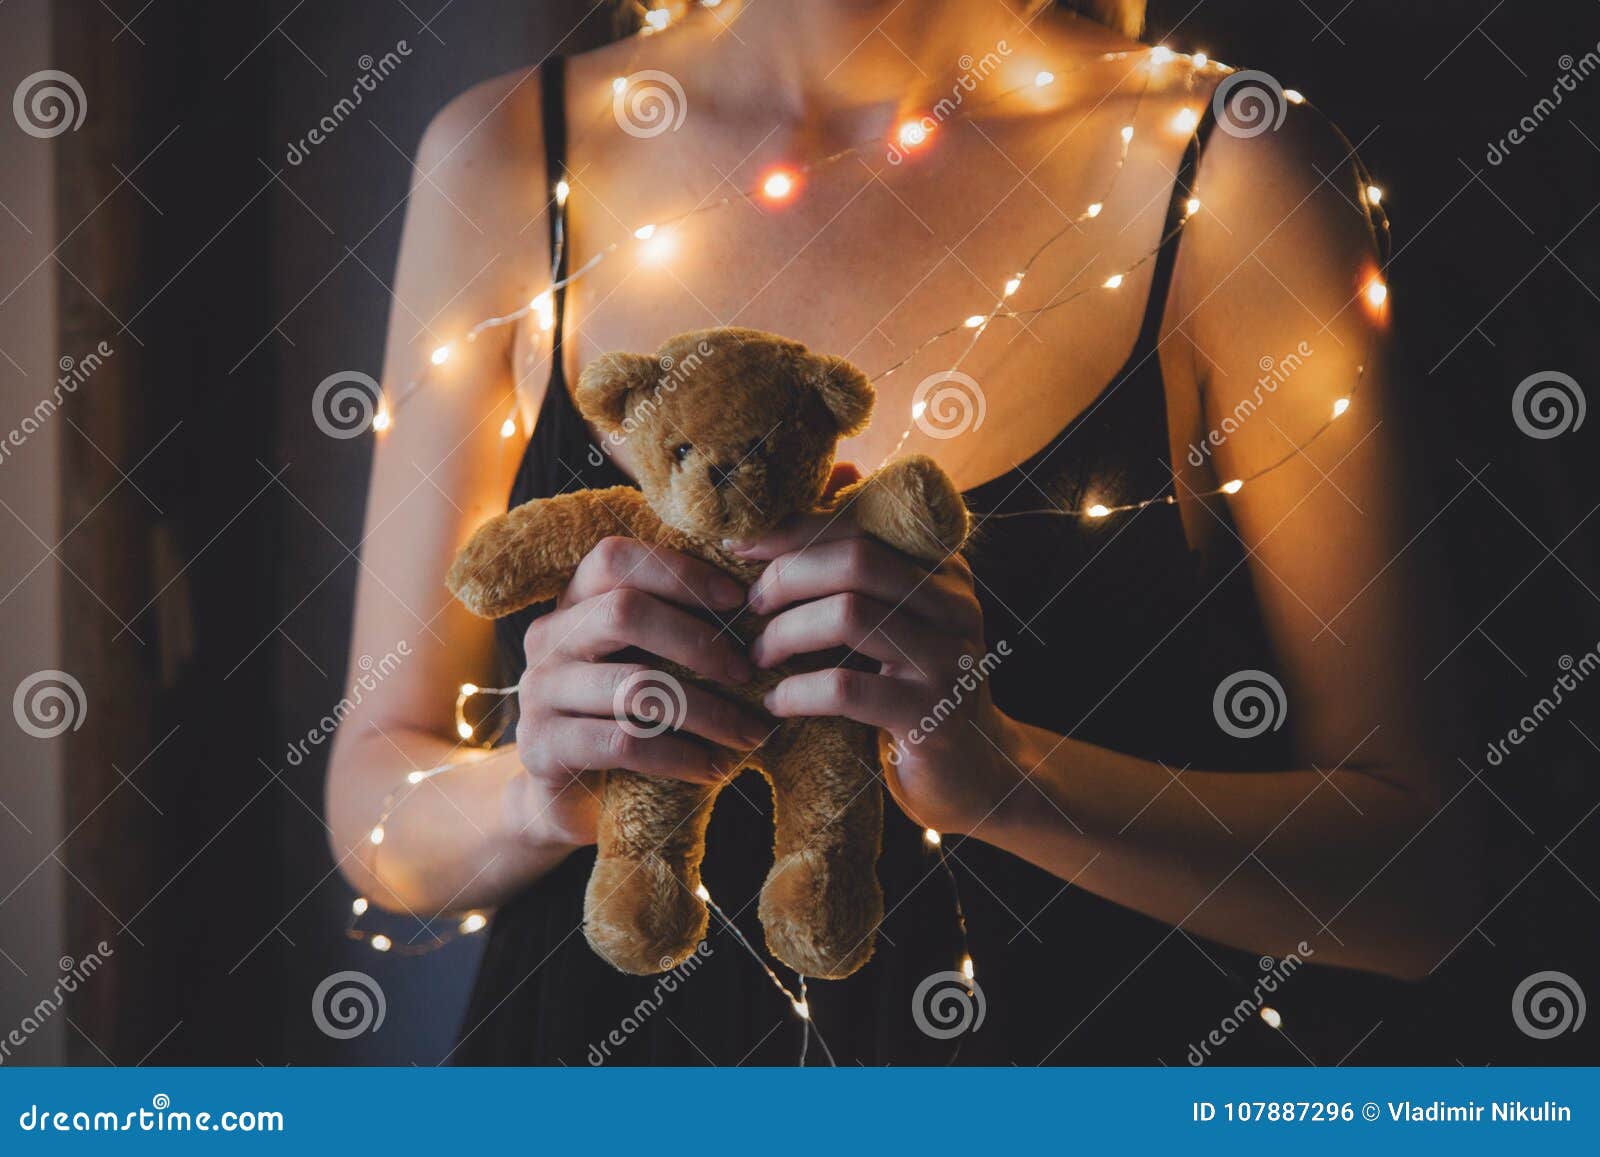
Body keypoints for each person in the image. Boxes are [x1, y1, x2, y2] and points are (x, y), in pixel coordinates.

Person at [327, 0, 1473, 1064]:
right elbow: (374, 810)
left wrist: (1011, 777)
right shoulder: (507, 154)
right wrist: (539, 789)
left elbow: (1423, 880)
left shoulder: (1225, 162)